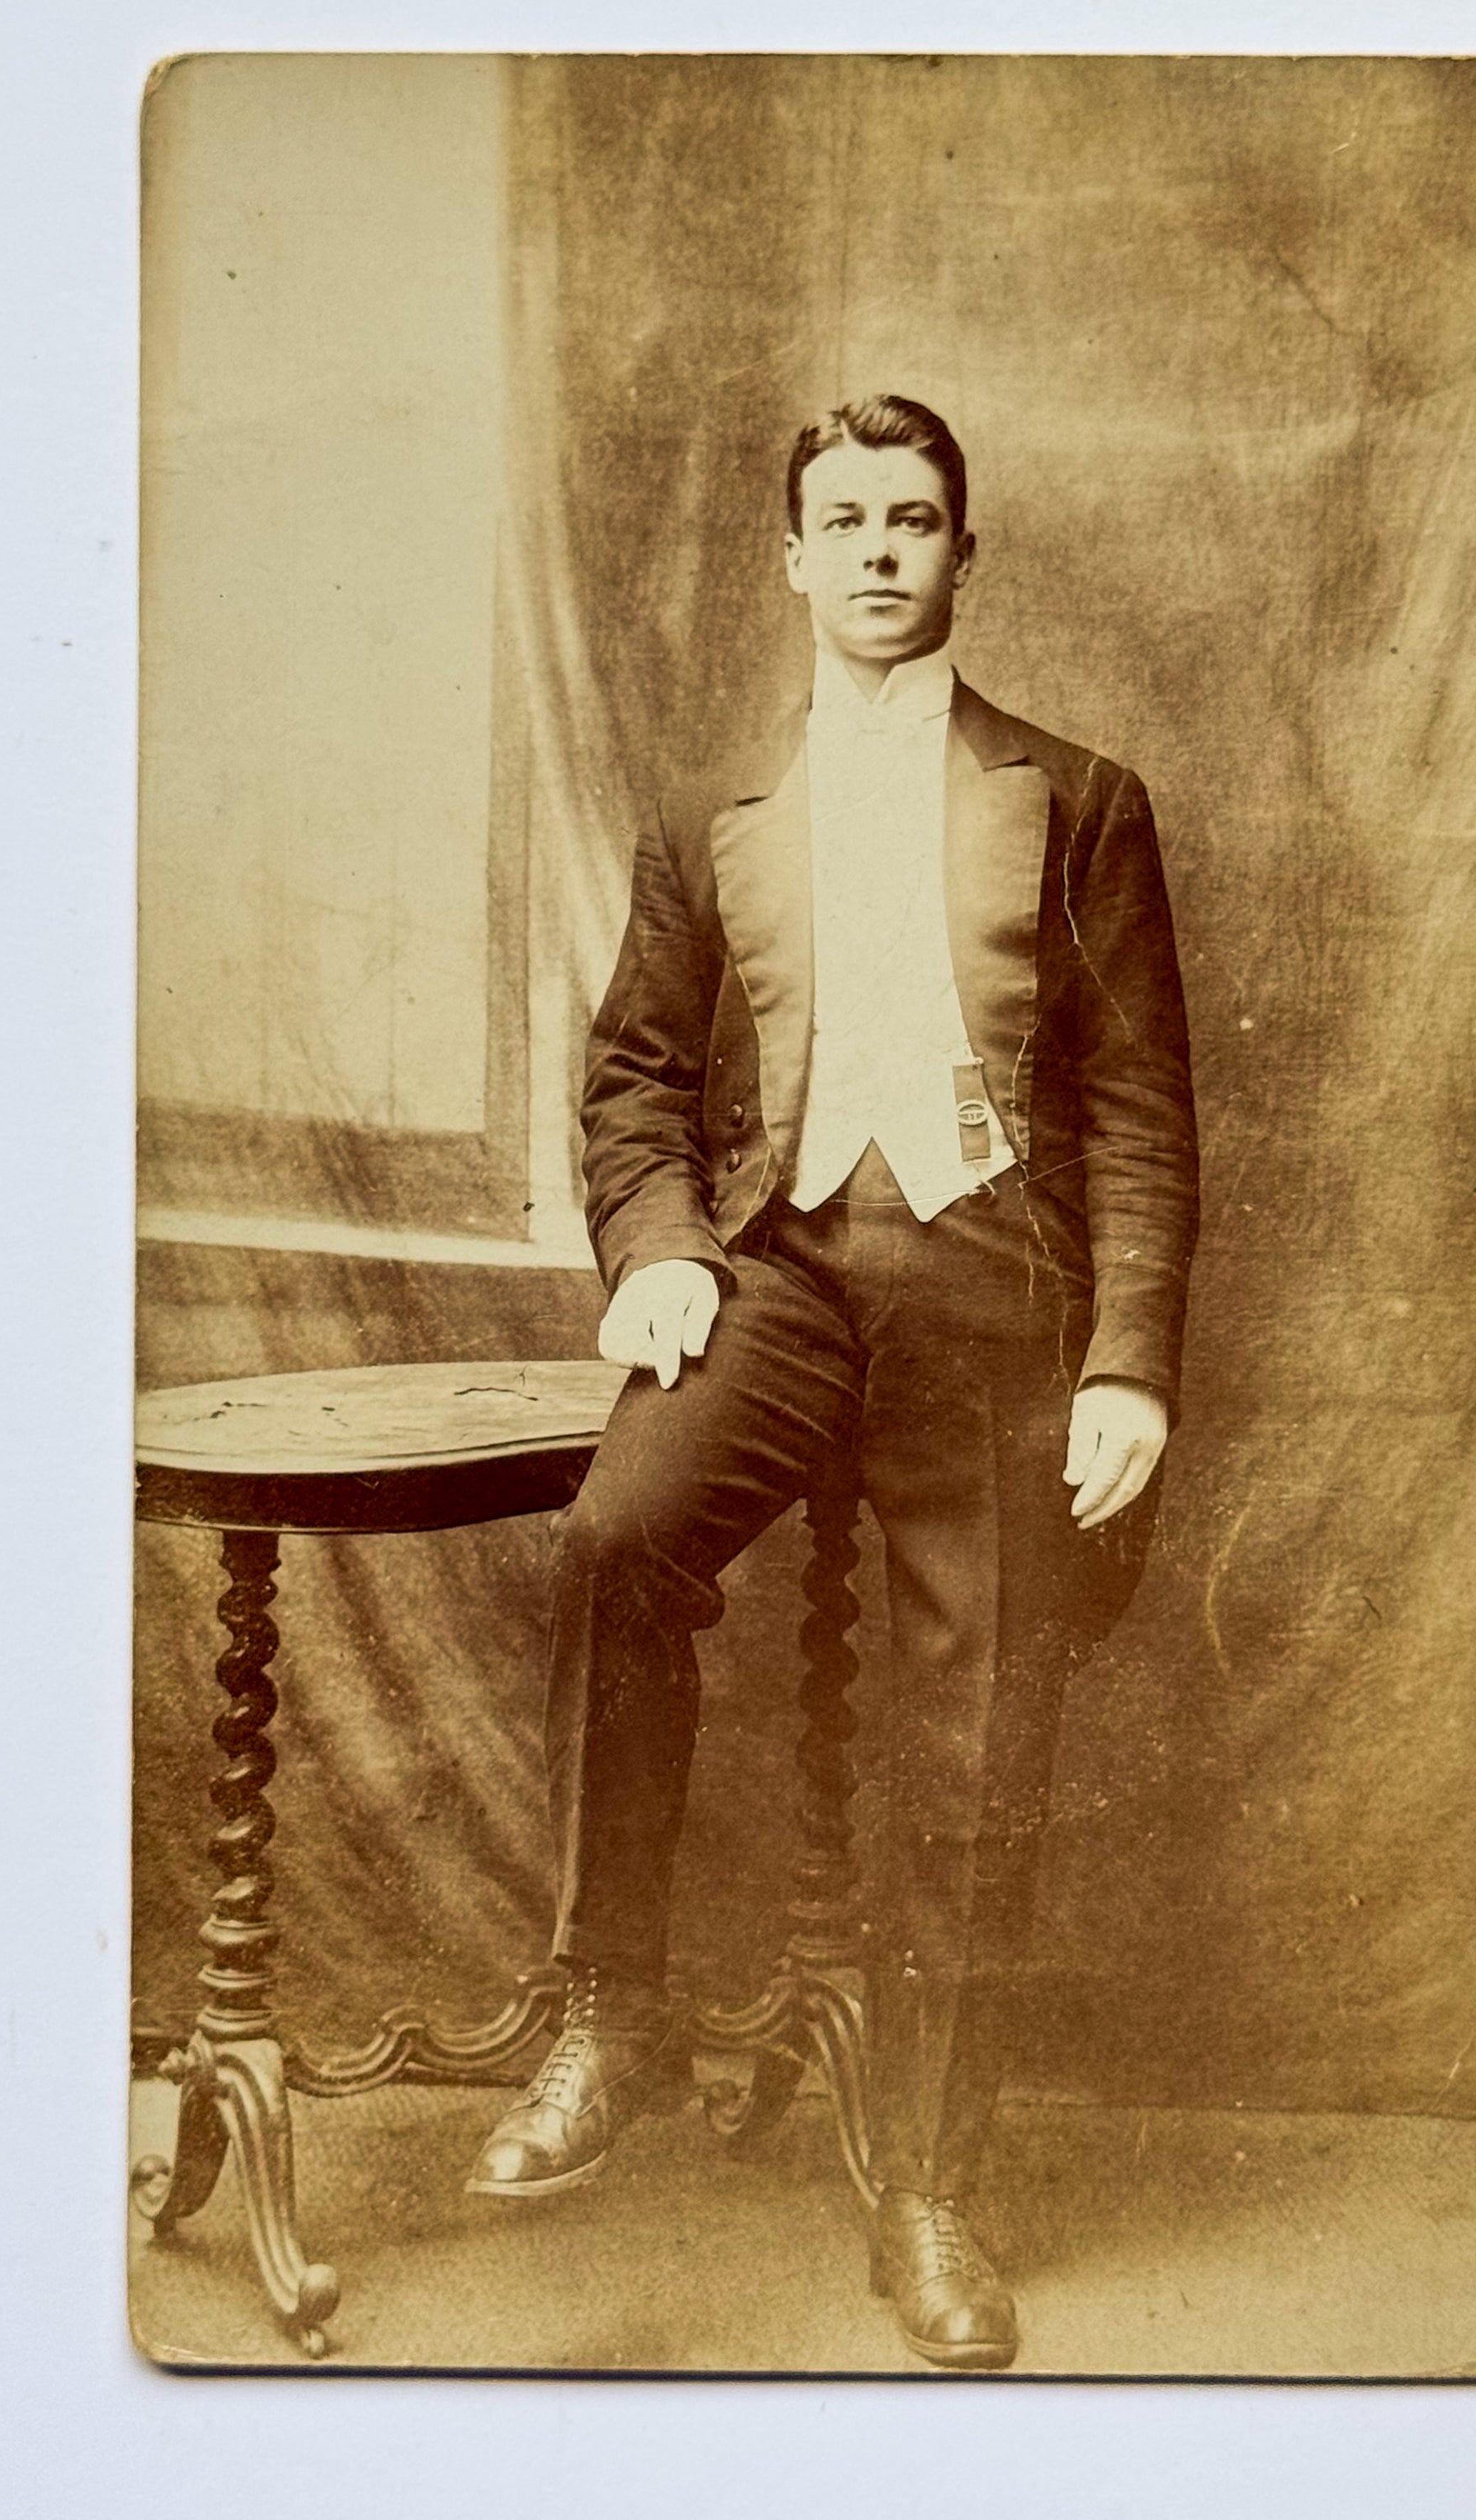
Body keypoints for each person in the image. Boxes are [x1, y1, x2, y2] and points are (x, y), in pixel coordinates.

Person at [467, 393, 1198, 2370]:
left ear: (966, 556)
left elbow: (1138, 1111)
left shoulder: (1082, 797)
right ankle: (611, 2013)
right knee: (621, 1536)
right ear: (792, 558)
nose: (880, 550)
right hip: (783, 1268)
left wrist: (1128, 1360)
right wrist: (661, 1255)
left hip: (993, 1294)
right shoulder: (721, 813)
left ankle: (935, 2185)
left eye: (917, 520)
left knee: (978, 1724)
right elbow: (632, 1076)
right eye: (845, 520)